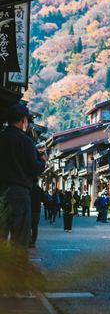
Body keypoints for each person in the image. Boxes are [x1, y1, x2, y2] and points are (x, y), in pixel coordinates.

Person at [0, 104, 46, 250]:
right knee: (19, 238)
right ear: (23, 121)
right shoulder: (26, 142)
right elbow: (34, 169)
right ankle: (16, 270)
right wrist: (43, 161)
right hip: (19, 193)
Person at [30, 182, 43, 249]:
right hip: (37, 210)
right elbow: (43, 199)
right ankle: (33, 242)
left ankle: (29, 241)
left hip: (29, 209)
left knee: (28, 226)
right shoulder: (39, 189)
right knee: (35, 227)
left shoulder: (29, 188)